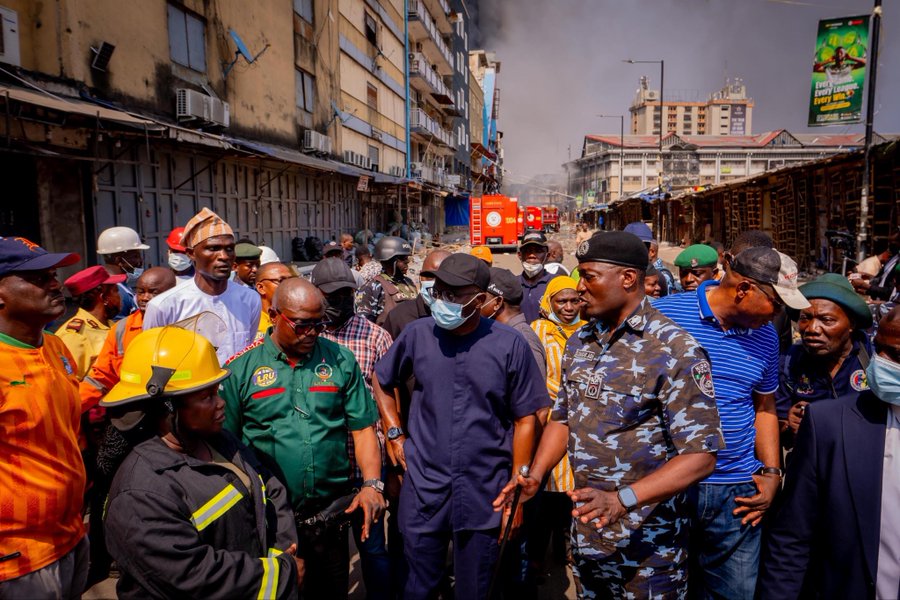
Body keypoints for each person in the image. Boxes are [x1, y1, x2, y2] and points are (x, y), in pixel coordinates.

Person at [496, 231, 722, 598]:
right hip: (589, 533)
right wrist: (534, 476)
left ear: (628, 278)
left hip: (650, 545)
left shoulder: (675, 349)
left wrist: (623, 500)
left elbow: (700, 456)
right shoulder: (581, 342)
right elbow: (562, 419)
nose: (580, 287)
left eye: (589, 276)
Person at [373, 253, 549, 599]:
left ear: (480, 300)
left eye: (454, 294)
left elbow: (527, 416)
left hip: (487, 490)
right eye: (439, 291)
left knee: (477, 588)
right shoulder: (418, 334)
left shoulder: (508, 343)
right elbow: (382, 380)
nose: (443, 301)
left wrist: (518, 483)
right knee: (417, 587)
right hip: (425, 484)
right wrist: (394, 433)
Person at [653, 246, 810, 599]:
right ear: (744, 290)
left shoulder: (766, 336)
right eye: (777, 304)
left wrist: (772, 474)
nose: (779, 316)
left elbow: (765, 406)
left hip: (737, 493)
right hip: (665, 484)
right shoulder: (661, 317)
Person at [101, 325, 302, 599]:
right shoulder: (140, 492)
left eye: (216, 391)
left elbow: (269, 485)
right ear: (167, 407)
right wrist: (279, 575)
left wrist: (280, 553)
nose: (221, 404)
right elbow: (193, 576)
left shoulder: (216, 440)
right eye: (206, 396)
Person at [221, 278, 386, 600]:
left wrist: (371, 485)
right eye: (301, 325)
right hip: (270, 520)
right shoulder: (240, 369)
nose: (312, 332)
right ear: (273, 315)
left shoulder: (340, 360)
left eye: (318, 323)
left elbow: (363, 428)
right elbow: (226, 444)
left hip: (329, 515)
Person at [760, 305, 900, 600]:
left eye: (897, 356)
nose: (883, 363)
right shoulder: (828, 424)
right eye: (881, 350)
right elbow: (792, 539)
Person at [0, 237, 88, 598]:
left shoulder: (55, 347)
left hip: (70, 536)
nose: (55, 283)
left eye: (53, 273)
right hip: (18, 558)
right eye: (36, 277)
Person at [78, 267, 177, 586]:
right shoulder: (122, 329)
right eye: (142, 291)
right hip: (126, 419)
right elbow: (101, 375)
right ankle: (102, 559)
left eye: (154, 292)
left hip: (171, 422)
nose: (146, 298)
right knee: (105, 483)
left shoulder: (183, 327)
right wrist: (68, 407)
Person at [311, 257, 393, 600]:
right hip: (323, 464)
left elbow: (390, 400)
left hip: (365, 464)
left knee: (372, 546)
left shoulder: (376, 337)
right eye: (331, 296)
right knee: (323, 551)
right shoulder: (305, 336)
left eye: (346, 295)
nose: (340, 302)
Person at [143, 207, 261, 364]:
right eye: (213, 248)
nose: (224, 257)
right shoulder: (164, 306)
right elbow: (152, 359)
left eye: (229, 249)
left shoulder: (250, 299)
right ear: (191, 253)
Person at [777, 273, 873, 445]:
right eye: (805, 318)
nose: (812, 329)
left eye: (826, 320)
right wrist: (788, 425)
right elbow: (777, 423)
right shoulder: (789, 361)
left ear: (851, 324)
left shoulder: (874, 360)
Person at [528, 276, 582, 575]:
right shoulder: (539, 331)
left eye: (574, 300)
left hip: (582, 423)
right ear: (549, 302)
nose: (569, 307)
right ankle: (537, 553)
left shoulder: (588, 331)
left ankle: (567, 547)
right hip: (549, 421)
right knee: (543, 493)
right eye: (562, 301)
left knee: (572, 492)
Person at [56, 265, 125, 379]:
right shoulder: (74, 336)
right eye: (115, 291)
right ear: (104, 298)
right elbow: (69, 383)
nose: (119, 296)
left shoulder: (111, 325)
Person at [481, 266, 547, 380]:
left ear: (497, 303)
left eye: (481, 298)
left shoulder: (523, 340)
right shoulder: (499, 333)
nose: (475, 303)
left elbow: (534, 393)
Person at [381, 250, 449, 341]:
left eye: (444, 278)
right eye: (430, 276)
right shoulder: (399, 316)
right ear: (420, 277)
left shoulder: (462, 314)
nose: (436, 283)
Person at [356, 236, 417, 326]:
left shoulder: (408, 283)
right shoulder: (372, 287)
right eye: (403, 258)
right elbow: (364, 326)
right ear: (390, 260)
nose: (407, 261)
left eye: (407, 258)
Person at [96, 225, 149, 319]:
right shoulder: (116, 291)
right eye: (135, 256)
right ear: (119, 261)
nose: (140, 261)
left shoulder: (119, 285)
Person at [518, 230, 561, 324]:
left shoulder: (557, 283)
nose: (532, 255)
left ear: (547, 255)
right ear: (519, 255)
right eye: (527, 251)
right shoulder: (512, 284)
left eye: (538, 251)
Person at [254, 262, 293, 341]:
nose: (289, 285)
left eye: (291, 280)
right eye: (281, 281)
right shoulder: (251, 321)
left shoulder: (295, 318)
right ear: (261, 287)